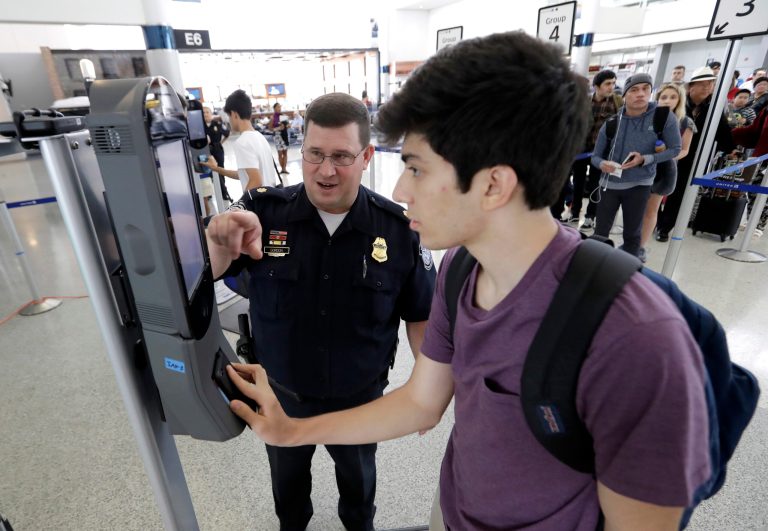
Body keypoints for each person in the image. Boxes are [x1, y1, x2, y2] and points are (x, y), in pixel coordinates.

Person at [221, 32, 709, 531]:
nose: (398, 189)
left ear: (493, 184)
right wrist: (292, 431)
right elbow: (422, 403)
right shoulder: (460, 271)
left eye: (415, 168)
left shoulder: (637, 340)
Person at [206, 92, 436, 531]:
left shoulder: (399, 230)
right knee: (289, 495)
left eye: (341, 156)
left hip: (360, 402)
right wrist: (217, 242)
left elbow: (421, 315)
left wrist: (425, 391)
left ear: (366, 156)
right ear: (300, 151)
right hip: (282, 396)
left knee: (359, 489)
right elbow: (212, 270)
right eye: (314, 154)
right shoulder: (262, 212)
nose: (326, 171)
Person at [591, 73, 682, 257]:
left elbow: (675, 149)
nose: (640, 94)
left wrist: (645, 159)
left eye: (645, 89)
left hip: (640, 184)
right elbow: (595, 157)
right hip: (609, 184)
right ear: (625, 95)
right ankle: (597, 268)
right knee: (600, 232)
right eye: (634, 90)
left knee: (633, 234)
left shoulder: (663, 117)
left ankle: (628, 272)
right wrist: (602, 164)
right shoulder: (612, 122)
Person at [655, 66, 735, 242]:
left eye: (710, 84)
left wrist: (731, 149)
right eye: (702, 84)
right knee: (656, 190)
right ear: (691, 87)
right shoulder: (680, 103)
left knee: (679, 193)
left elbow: (723, 133)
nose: (707, 88)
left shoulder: (714, 108)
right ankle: (656, 220)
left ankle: (664, 227)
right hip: (666, 154)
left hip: (693, 158)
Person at [556, 69, 622, 228]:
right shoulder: (584, 101)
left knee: (595, 185)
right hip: (580, 151)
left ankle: (590, 216)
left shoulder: (618, 103)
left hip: (602, 153)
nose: (611, 87)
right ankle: (574, 212)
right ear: (597, 85)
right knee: (578, 183)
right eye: (607, 83)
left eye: (613, 83)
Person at [639, 83, 696, 260]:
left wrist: (667, 155)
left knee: (651, 209)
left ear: (680, 100)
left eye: (673, 97)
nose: (667, 101)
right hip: (642, 167)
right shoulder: (648, 117)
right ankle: (631, 241)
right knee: (634, 208)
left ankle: (639, 247)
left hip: (665, 170)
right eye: (664, 97)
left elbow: (685, 150)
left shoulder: (685, 122)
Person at [202, 89, 278, 194]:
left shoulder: (243, 142)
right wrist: (216, 169)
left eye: (229, 116)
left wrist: (241, 205)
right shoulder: (259, 136)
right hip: (270, 199)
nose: (229, 120)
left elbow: (256, 181)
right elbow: (244, 174)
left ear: (234, 114)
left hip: (260, 204)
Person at [203, 105, 232, 203]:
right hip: (205, 151)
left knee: (220, 170)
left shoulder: (217, 124)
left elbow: (227, 134)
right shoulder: (199, 125)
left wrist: (220, 143)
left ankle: (224, 192)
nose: (205, 114)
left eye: (207, 112)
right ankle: (209, 193)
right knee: (207, 171)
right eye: (203, 112)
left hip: (217, 150)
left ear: (211, 114)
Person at [270, 102, 289, 174]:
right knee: (280, 153)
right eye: (278, 107)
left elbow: (288, 125)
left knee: (285, 152)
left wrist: (287, 126)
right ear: (274, 108)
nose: (279, 108)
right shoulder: (272, 117)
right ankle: (282, 168)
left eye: (280, 107)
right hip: (277, 136)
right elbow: (270, 128)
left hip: (284, 135)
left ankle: (284, 168)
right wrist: (278, 128)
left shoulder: (283, 116)